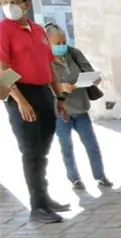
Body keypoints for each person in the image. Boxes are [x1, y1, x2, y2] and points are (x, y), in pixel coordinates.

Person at [0, 0, 71, 223]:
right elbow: (2, 68)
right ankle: (37, 207)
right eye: (5, 1)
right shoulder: (3, 30)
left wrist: (59, 97)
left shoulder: (38, 29)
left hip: (43, 93)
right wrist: (20, 100)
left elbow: (48, 66)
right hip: (21, 93)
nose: (9, 5)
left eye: (14, 1)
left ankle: (44, 197)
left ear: (26, 3)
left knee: (42, 149)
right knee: (31, 151)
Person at [45, 24, 112, 191]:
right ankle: (74, 178)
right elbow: (44, 85)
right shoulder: (44, 60)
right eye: (57, 43)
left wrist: (93, 79)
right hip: (60, 111)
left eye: (63, 42)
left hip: (80, 107)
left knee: (91, 144)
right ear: (47, 43)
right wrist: (61, 87)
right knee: (66, 146)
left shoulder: (73, 53)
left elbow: (88, 70)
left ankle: (100, 176)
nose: (62, 46)